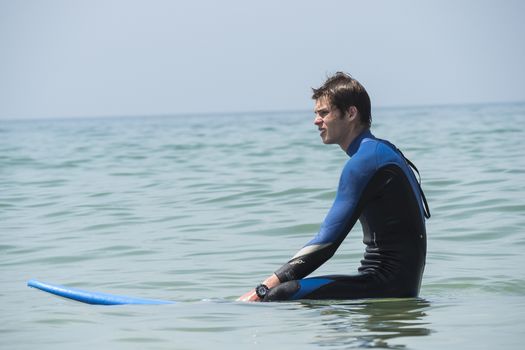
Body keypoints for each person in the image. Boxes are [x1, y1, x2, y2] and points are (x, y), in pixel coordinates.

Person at [238, 72, 430, 302]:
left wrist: (261, 290)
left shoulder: (365, 161)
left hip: (385, 286)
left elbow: (326, 243)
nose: (316, 121)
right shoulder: (381, 151)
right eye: (316, 114)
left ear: (350, 113)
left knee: (283, 293)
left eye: (324, 113)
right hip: (398, 286)